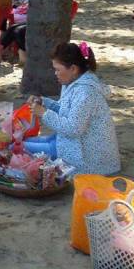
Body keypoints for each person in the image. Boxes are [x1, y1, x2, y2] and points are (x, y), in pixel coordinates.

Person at [25, 42, 121, 175]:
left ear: (73, 69)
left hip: (87, 157)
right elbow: (65, 110)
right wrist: (44, 102)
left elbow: (73, 128)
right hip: (74, 144)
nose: (55, 73)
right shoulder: (73, 82)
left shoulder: (85, 92)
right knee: (23, 142)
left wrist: (44, 113)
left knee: (19, 147)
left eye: (58, 70)